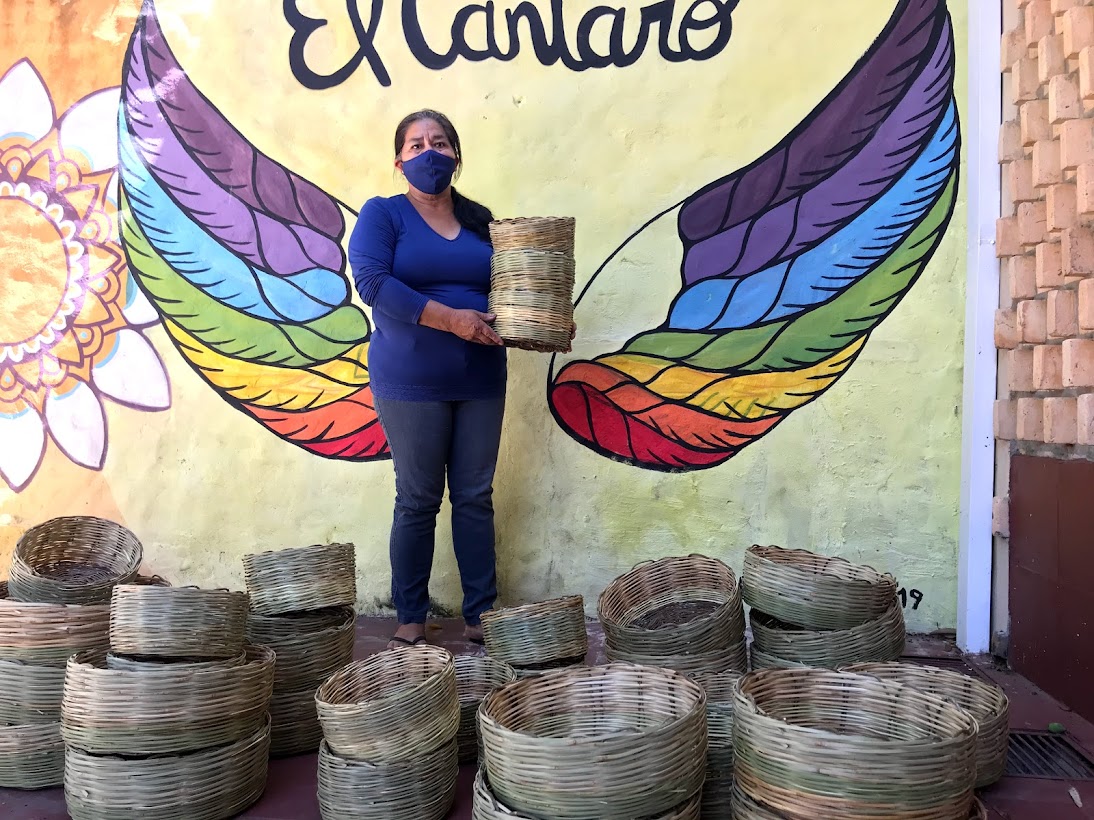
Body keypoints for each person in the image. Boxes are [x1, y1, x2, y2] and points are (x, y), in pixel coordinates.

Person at [348, 110, 508, 650]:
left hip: (481, 375)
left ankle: (482, 614)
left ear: (456, 156)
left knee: (475, 496)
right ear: (399, 162)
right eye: (415, 145)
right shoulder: (384, 214)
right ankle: (411, 617)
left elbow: (512, 288)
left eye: (439, 142)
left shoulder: (482, 222)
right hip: (409, 377)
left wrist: (543, 320)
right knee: (418, 498)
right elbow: (374, 284)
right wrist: (452, 319)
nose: (428, 153)